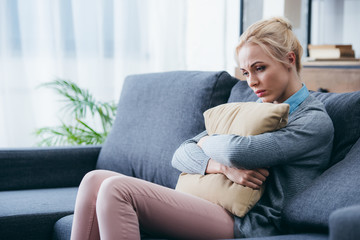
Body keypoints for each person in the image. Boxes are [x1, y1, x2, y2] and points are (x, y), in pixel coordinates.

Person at [70, 17, 334, 240]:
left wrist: (208, 143)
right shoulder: (254, 108)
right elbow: (181, 154)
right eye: (245, 73)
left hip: (251, 222)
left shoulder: (312, 120)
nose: (252, 82)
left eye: (260, 68)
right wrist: (220, 167)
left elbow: (238, 152)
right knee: (94, 180)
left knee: (117, 189)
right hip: (213, 201)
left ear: (289, 59)